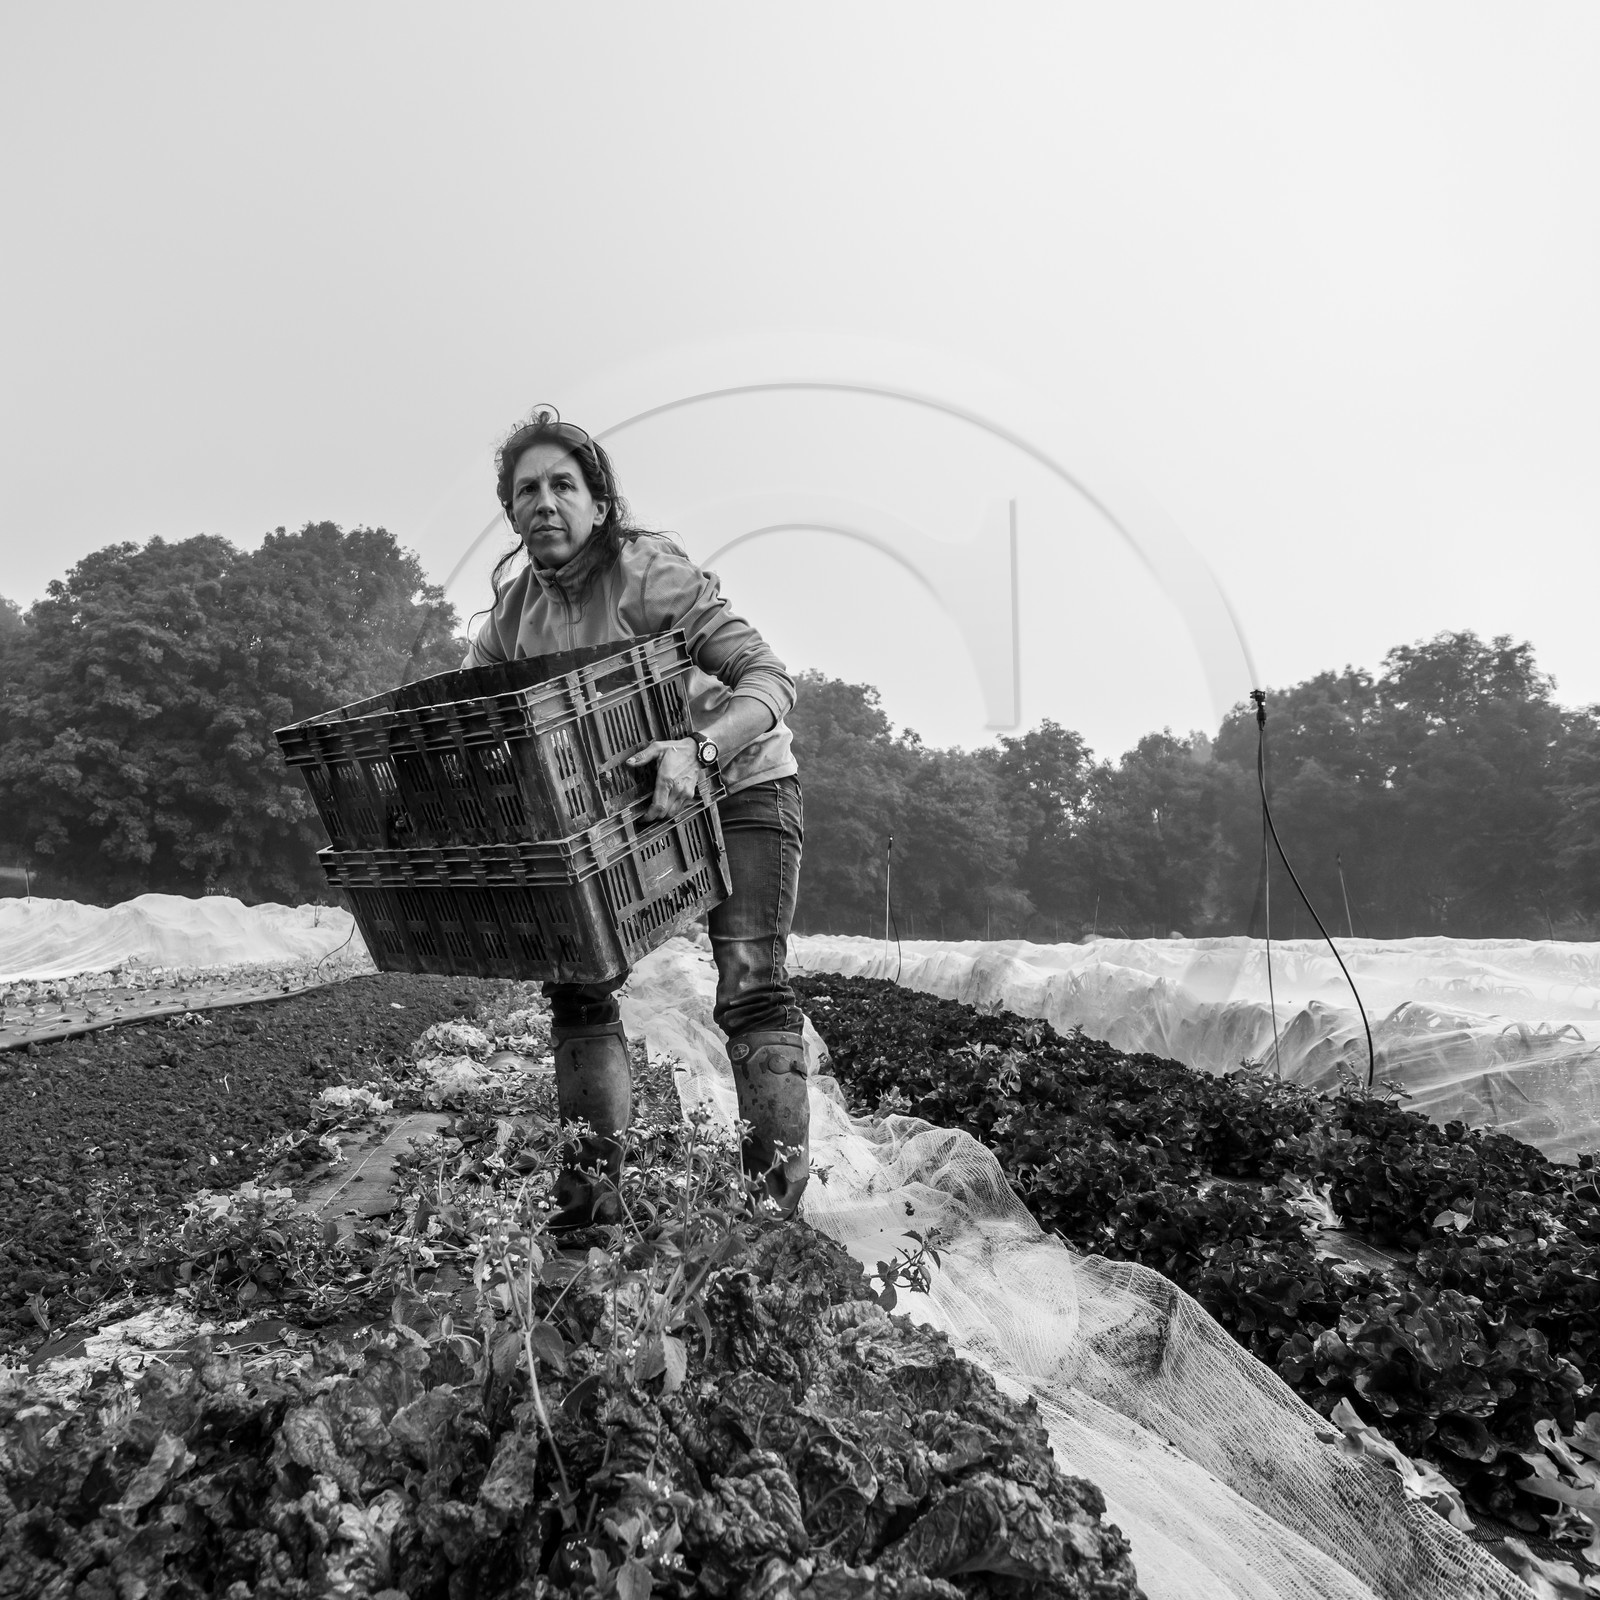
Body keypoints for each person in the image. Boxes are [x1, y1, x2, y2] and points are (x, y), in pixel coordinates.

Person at [462, 408, 809, 1226]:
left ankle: (772, 1216)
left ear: (598, 501)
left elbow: (768, 679)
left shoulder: (650, 575)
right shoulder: (514, 615)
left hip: (741, 780)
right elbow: (469, 710)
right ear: (510, 513)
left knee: (752, 985)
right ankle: (590, 1204)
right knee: (580, 987)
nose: (543, 503)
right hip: (634, 803)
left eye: (562, 485)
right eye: (524, 492)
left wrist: (703, 750)